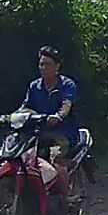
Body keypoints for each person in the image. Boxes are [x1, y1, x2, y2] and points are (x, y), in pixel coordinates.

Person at [17, 45, 79, 195]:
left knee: (57, 159)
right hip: (40, 133)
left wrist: (59, 116)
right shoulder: (34, 86)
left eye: (47, 64)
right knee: (21, 156)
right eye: (41, 64)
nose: (43, 68)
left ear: (57, 67)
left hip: (63, 132)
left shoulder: (67, 85)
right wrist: (14, 116)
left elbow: (67, 104)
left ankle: (65, 199)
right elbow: (25, 107)